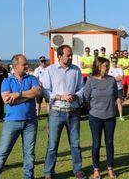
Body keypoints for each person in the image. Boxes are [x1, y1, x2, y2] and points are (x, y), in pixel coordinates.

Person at [0, 54, 41, 179]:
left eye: (27, 63)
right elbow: (7, 99)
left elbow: (38, 92)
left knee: (29, 153)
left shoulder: (32, 78)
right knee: (3, 152)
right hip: (12, 122)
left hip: (30, 122)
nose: (27, 66)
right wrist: (28, 96)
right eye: (24, 64)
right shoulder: (7, 81)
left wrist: (18, 94)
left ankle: (28, 177)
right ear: (16, 66)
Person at [42, 45, 86, 179]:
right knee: (52, 145)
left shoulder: (76, 70)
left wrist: (76, 96)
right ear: (59, 56)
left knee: (75, 144)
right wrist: (60, 97)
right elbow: (45, 91)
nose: (71, 57)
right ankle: (49, 173)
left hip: (73, 112)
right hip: (56, 111)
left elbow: (82, 88)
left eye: (71, 54)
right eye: (68, 55)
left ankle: (77, 170)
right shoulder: (50, 70)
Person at [84, 57, 118, 179]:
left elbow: (116, 95)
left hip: (110, 116)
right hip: (95, 117)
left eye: (108, 66)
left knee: (109, 143)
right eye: (105, 66)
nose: (108, 68)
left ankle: (110, 168)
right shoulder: (90, 81)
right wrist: (93, 109)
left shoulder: (111, 80)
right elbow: (86, 98)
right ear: (98, 67)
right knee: (96, 144)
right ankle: (96, 169)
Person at [108, 57, 125, 121]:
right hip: (111, 88)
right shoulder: (109, 69)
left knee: (119, 102)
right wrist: (115, 78)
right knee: (110, 103)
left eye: (115, 61)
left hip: (119, 88)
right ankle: (111, 116)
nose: (114, 63)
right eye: (113, 61)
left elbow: (121, 78)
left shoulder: (120, 69)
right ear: (111, 61)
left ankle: (121, 116)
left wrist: (113, 78)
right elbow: (108, 79)